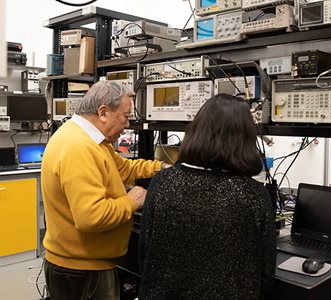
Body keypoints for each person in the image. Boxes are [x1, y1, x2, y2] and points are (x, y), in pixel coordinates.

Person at [138, 94, 277, 299]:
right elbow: (266, 275)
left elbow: (145, 256)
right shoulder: (254, 195)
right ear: (246, 139)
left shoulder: (163, 182)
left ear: (196, 131)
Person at [41, 80, 165, 300]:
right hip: (82, 271)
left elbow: (123, 168)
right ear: (104, 112)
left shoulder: (92, 141)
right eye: (126, 116)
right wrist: (131, 201)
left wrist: (162, 168)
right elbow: (91, 217)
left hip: (84, 265)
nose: (127, 125)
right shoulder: (78, 147)